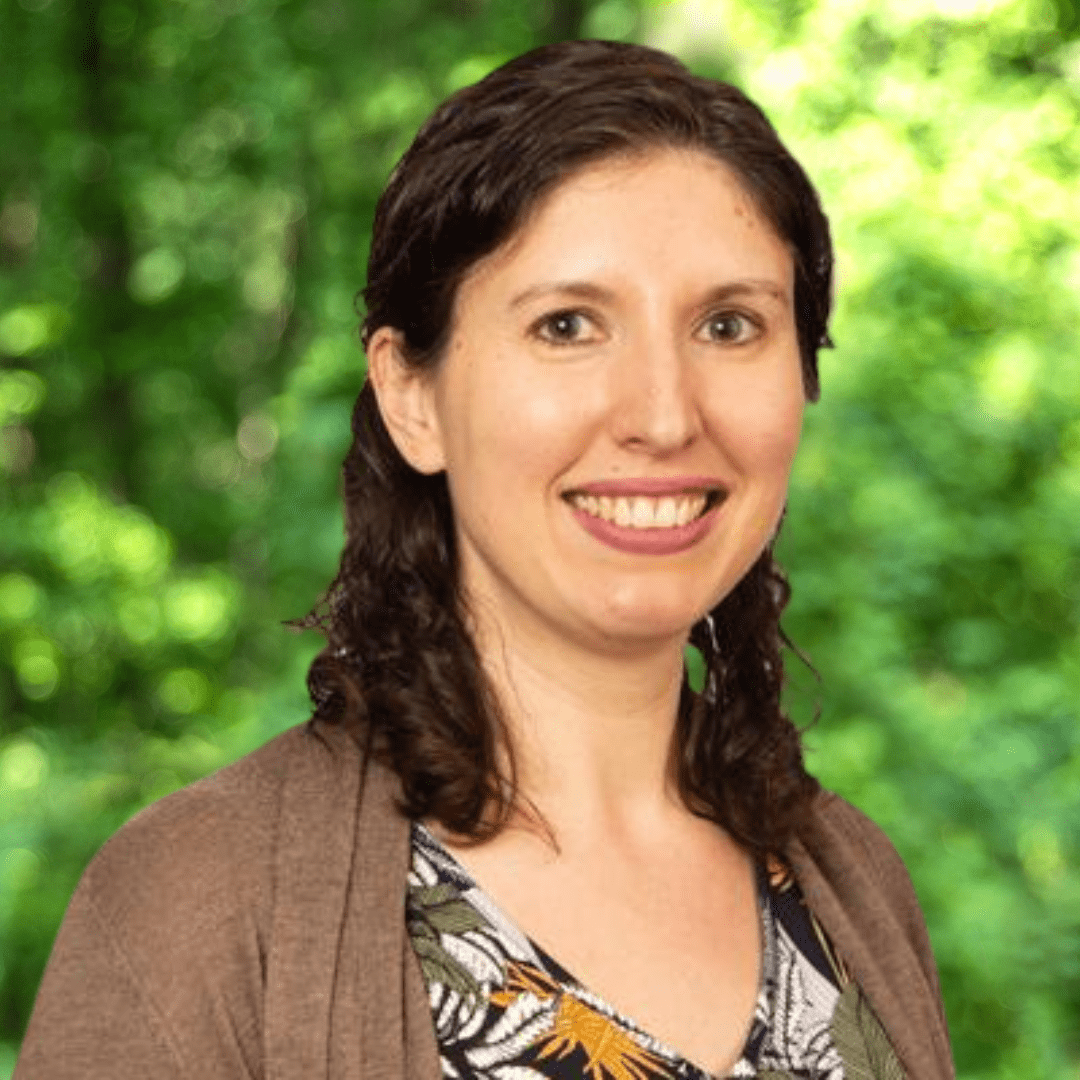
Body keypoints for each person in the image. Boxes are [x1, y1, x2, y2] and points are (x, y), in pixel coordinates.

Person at [14, 39, 954, 1080]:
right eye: (566, 325)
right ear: (412, 397)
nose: (662, 413)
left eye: (729, 325)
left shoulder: (855, 884)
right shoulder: (194, 905)